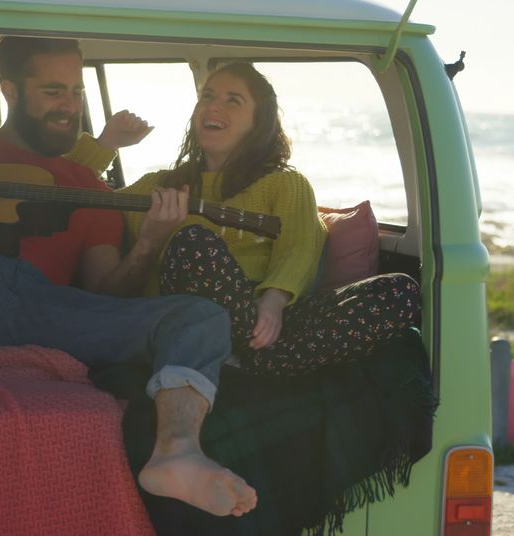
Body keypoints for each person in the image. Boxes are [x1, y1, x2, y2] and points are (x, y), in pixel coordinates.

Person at [0, 37, 256, 518]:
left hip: (41, 308)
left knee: (200, 317)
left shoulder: (91, 187)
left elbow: (104, 292)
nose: (70, 107)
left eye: (77, 93)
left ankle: (177, 452)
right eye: (54, 92)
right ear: (11, 90)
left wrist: (150, 242)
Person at [117, 62, 422, 375]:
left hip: (271, 318)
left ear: (257, 122)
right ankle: (243, 358)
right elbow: (78, 194)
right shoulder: (158, 187)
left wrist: (274, 300)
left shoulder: (285, 184)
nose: (213, 107)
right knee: (192, 242)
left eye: (232, 100)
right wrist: (105, 146)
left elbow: (299, 247)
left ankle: (251, 364)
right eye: (207, 97)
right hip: (196, 323)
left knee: (400, 290)